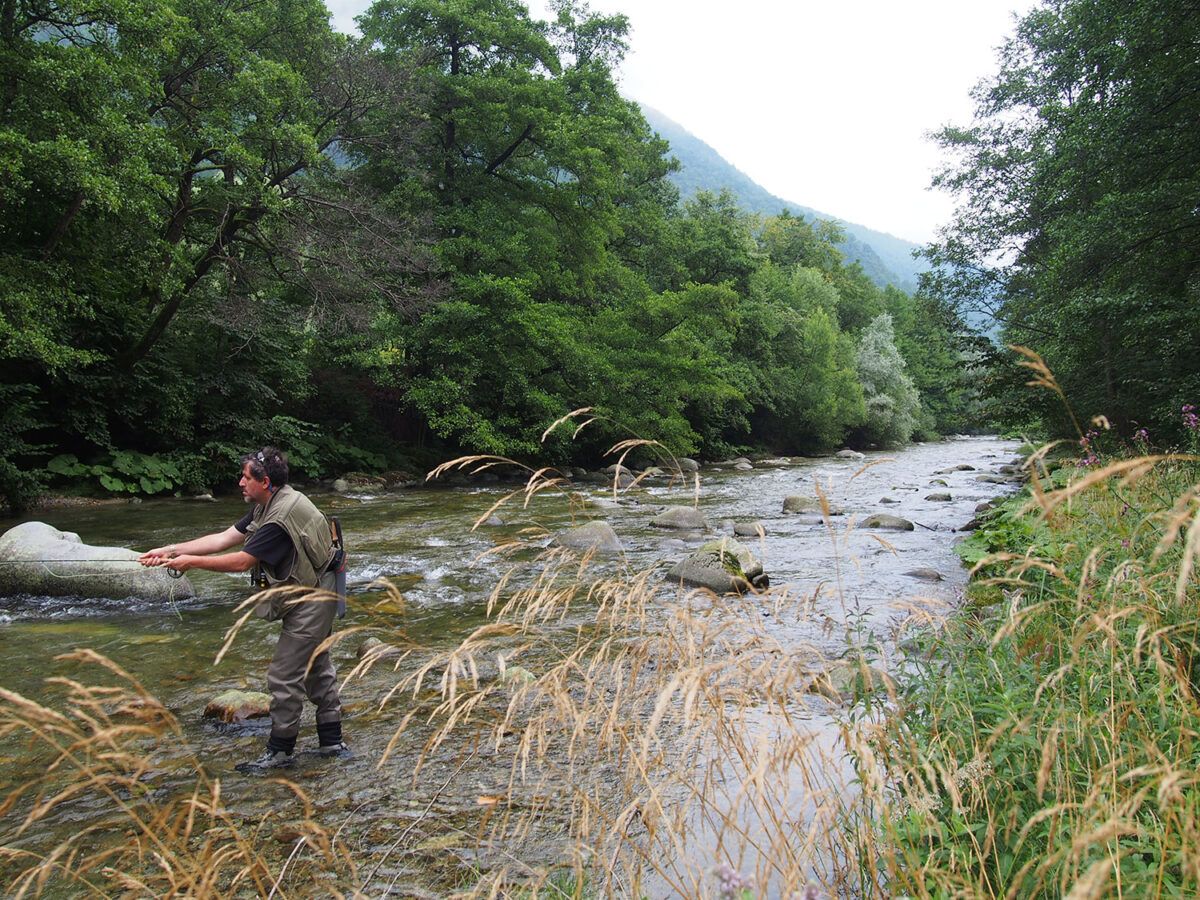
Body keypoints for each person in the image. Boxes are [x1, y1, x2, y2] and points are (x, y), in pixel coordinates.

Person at [139, 446, 348, 771]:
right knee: (316, 668)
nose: (240, 483)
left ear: (265, 482)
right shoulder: (271, 502)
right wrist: (169, 550)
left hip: (315, 598)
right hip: (316, 589)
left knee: (283, 674)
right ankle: (332, 744)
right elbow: (224, 539)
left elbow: (241, 562)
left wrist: (190, 563)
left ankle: (280, 752)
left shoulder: (278, 519)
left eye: (246, 477)